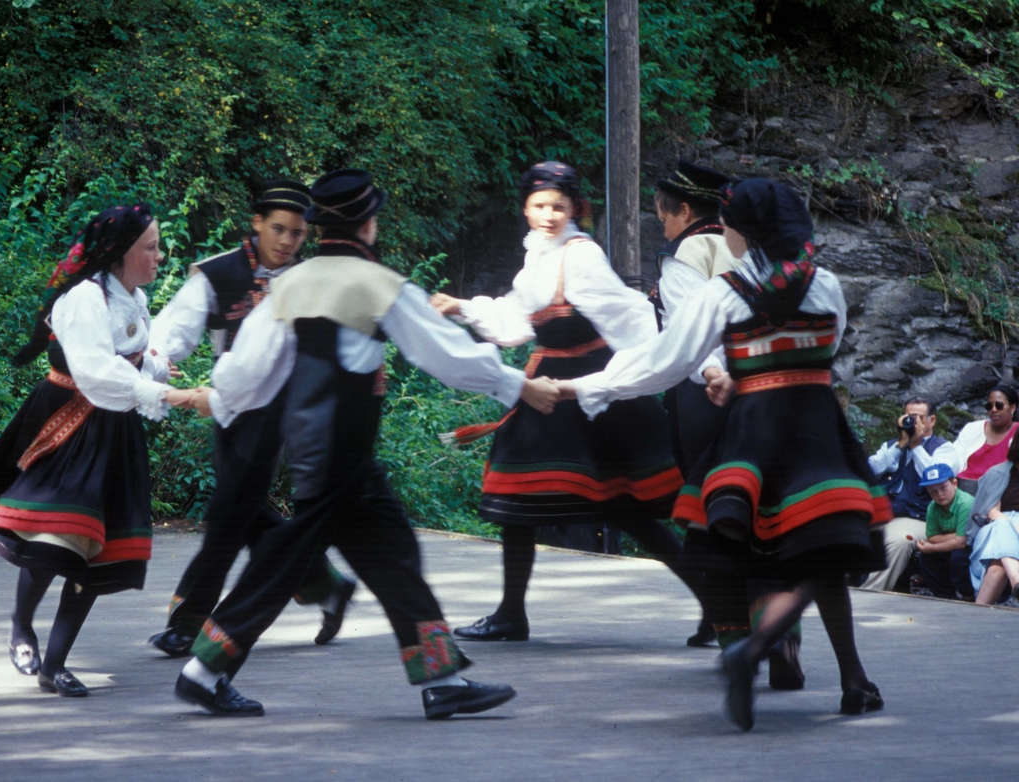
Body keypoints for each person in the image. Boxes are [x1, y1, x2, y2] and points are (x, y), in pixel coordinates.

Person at [171, 168, 560, 719]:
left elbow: (250, 366)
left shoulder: (289, 284)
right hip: (342, 454)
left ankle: (442, 679)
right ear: (368, 223)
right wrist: (516, 383)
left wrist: (222, 399)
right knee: (288, 562)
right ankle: (204, 670)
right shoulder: (376, 284)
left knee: (391, 554)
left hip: (315, 448)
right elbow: (442, 352)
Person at [557, 178, 891, 730]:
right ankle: (830, 671)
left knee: (816, 555)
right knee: (826, 550)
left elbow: (665, 361)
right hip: (814, 425)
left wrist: (583, 388)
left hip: (754, 431)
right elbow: (826, 348)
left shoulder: (725, 292)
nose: (725, 233)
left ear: (747, 231)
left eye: (729, 224)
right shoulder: (825, 283)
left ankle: (810, 665)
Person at [428, 161, 704, 644]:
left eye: (559, 206)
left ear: (576, 208)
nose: (550, 215)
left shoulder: (580, 256)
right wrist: (463, 307)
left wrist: (660, 369)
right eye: (540, 206)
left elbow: (632, 319)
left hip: (591, 397)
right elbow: (516, 324)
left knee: (630, 512)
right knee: (517, 503)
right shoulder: (537, 259)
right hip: (547, 391)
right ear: (526, 211)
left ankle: (716, 605)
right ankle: (511, 612)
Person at [0, 204, 197, 696]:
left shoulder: (133, 298)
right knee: (55, 542)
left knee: (96, 552)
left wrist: (156, 371)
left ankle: (55, 664)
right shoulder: (84, 298)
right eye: (151, 246)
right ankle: (21, 626)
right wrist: (163, 393)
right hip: (65, 424)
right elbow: (96, 371)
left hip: (113, 432)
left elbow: (137, 359)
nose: (160, 256)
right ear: (120, 252)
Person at [146, 180, 355, 657]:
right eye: (278, 229)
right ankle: (325, 583)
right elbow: (176, 325)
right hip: (231, 407)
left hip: (283, 413)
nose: (286, 241)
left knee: (225, 518)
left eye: (298, 234)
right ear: (257, 222)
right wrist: (153, 360)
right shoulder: (220, 273)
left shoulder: (312, 283)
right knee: (242, 510)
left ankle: (190, 622)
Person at [648, 160, 805, 688]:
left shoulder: (687, 255)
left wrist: (716, 372)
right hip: (776, 396)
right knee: (770, 518)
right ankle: (781, 635)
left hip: (707, 396)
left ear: (685, 210)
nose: (661, 225)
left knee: (713, 520)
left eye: (662, 214)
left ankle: (737, 643)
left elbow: (690, 334)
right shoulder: (779, 261)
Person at [862, 399, 961, 591]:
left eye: (917, 417)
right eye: (907, 416)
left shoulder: (944, 448)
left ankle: (868, 593)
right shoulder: (893, 445)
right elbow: (870, 470)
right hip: (884, 512)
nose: (911, 421)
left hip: (920, 517)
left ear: (931, 420)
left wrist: (916, 446)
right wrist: (901, 444)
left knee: (899, 539)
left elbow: (935, 479)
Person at [964, 436, 1019, 604]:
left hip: (1002, 542)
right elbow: (990, 512)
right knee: (1001, 527)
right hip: (992, 529)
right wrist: (1013, 528)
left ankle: (977, 615)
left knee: (998, 567)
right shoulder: (998, 473)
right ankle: (1016, 578)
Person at [913, 463, 972, 599]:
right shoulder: (932, 507)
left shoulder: (965, 503)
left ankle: (969, 594)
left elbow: (961, 543)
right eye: (932, 491)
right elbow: (932, 537)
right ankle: (945, 596)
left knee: (958, 558)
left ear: (955, 483)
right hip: (956, 544)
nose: (939, 494)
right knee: (925, 558)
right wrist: (956, 536)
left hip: (970, 547)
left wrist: (932, 548)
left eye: (943, 487)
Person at [952, 383, 1018, 495]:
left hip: (1000, 493)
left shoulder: (1017, 432)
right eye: (989, 406)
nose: (993, 410)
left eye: (999, 405)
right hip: (964, 488)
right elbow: (953, 458)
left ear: (1012, 407)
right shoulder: (972, 428)